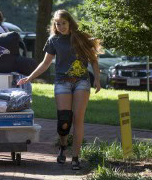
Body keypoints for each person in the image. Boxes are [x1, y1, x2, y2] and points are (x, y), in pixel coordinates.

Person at [17, 10, 101, 170]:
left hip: (82, 82)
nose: (61, 26)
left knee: (78, 119)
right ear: (54, 25)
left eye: (63, 23)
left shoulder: (81, 37)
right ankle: (63, 146)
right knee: (64, 121)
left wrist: (96, 79)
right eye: (57, 24)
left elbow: (94, 60)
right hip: (62, 82)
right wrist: (30, 77)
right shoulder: (53, 40)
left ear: (70, 22)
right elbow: (46, 63)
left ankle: (75, 157)